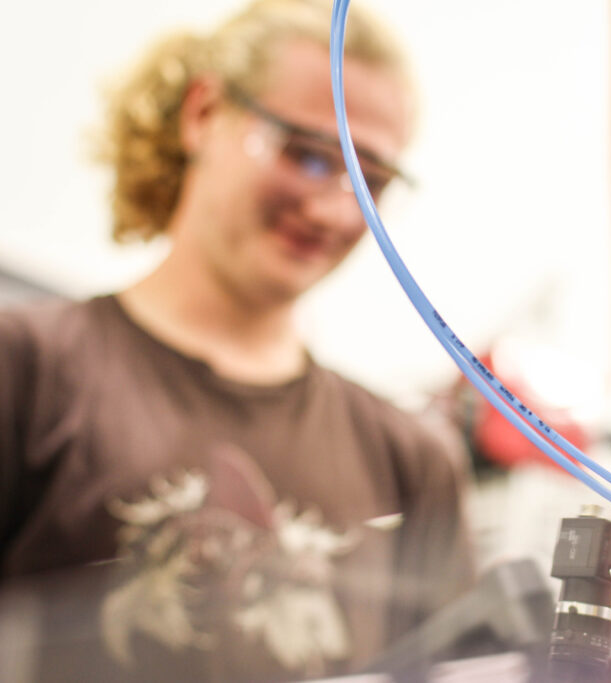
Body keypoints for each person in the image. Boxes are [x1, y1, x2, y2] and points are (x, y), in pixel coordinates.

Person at [0, 1, 473, 680]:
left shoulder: (413, 459)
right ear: (203, 115)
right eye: (308, 157)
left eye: (370, 181)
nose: (334, 208)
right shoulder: (27, 370)